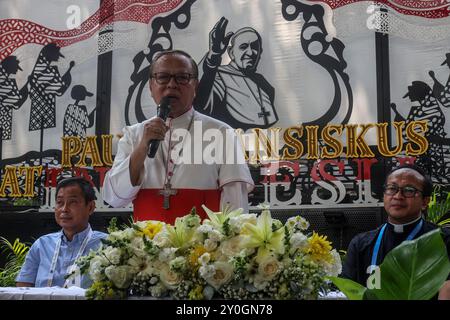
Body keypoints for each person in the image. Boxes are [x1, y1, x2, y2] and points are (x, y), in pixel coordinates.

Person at [102, 49, 254, 224]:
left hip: (202, 247)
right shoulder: (133, 134)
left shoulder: (221, 133)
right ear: (151, 86)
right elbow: (115, 198)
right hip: (146, 246)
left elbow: (235, 205)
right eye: (163, 77)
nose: (172, 84)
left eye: (182, 78)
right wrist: (143, 146)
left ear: (195, 86)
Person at [342, 164, 450, 299]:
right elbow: (348, 291)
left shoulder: (443, 240)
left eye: (409, 190)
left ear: (424, 202)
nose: (398, 196)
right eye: (392, 188)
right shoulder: (361, 244)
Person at [16, 177, 107, 288]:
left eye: (72, 202)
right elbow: (23, 288)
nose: (64, 209)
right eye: (59, 202)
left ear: (91, 207)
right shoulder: (41, 245)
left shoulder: (107, 245)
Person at [194, 17, 278, 131]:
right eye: (243, 47)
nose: (250, 52)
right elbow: (199, 105)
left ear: (260, 52)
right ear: (231, 53)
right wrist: (214, 56)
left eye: (254, 47)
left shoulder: (263, 83)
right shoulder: (219, 76)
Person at [28, 43, 74, 132]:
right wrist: (67, 80)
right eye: (57, 55)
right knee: (42, 132)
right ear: (50, 54)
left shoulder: (40, 67)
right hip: (43, 109)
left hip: (43, 109)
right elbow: (59, 90)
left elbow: (56, 87)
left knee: (43, 133)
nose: (58, 57)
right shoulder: (48, 69)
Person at [0, 55, 28, 141]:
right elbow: (16, 103)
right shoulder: (5, 80)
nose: (16, 70)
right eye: (15, 67)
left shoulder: (7, 79)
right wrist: (25, 91)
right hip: (3, 120)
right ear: (9, 66)